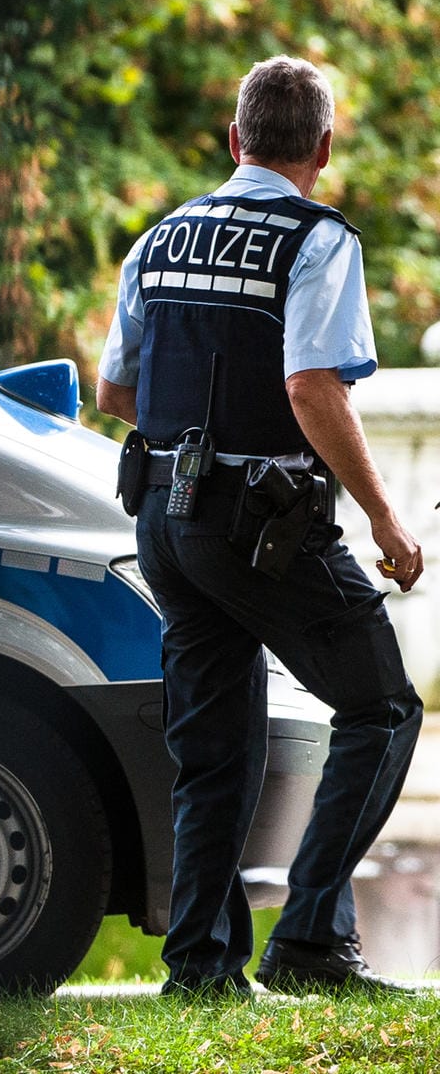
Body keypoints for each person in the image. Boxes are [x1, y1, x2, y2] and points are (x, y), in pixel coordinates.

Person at [96, 55, 424, 998]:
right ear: (322, 145)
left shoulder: (160, 237)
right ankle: (312, 938)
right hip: (260, 522)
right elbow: (312, 385)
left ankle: (200, 966)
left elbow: (118, 389)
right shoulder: (317, 240)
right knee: (382, 706)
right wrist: (387, 521)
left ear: (234, 140)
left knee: (214, 752)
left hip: (164, 516)